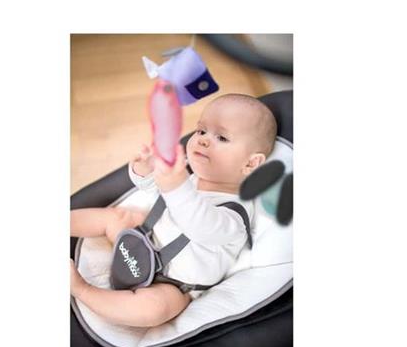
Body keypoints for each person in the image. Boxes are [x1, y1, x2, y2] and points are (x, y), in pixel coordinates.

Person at [70, 93, 277, 328]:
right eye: (201, 131)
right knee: (118, 216)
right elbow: (152, 188)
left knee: (155, 310)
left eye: (221, 137)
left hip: (171, 283)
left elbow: (199, 223)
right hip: (141, 242)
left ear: (250, 163)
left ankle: (82, 290)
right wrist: (144, 169)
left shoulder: (235, 216)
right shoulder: (188, 177)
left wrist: (175, 185)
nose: (203, 140)